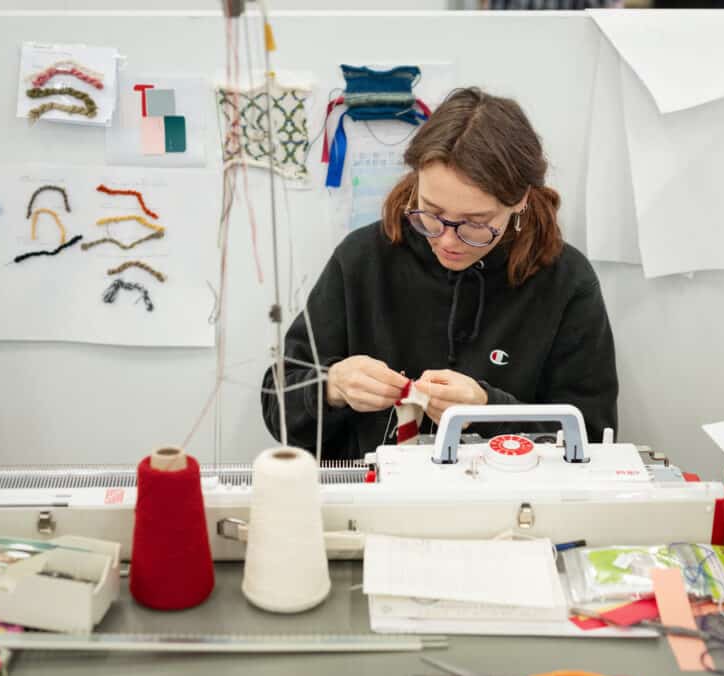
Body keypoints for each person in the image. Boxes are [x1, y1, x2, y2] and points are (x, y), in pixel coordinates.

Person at [262, 87, 618, 460]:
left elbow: (593, 437)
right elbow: (278, 406)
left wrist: (488, 410)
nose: (447, 240)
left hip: (511, 493)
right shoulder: (362, 260)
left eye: (475, 223)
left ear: (521, 200)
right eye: (430, 213)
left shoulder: (565, 281)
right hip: (370, 491)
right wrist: (331, 387)